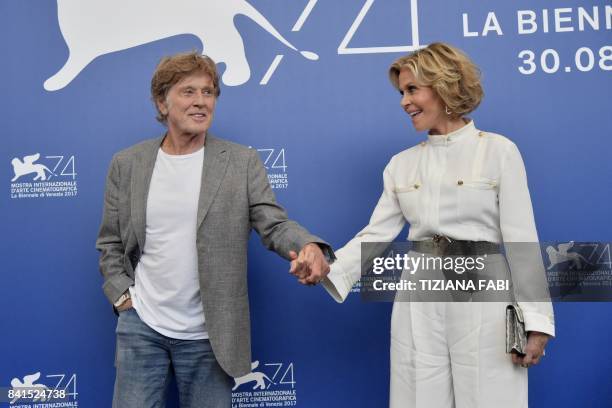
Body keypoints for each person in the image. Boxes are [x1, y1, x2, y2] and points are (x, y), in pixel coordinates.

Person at [299, 43, 555, 407]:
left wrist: (537, 322)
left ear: (445, 86)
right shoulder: (401, 165)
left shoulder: (499, 151)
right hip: (419, 298)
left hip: (485, 295)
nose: (404, 101)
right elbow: (375, 234)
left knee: (490, 397)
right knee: (418, 397)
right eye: (402, 92)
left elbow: (521, 240)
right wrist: (328, 268)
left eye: (412, 90)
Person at [96, 51, 332, 408]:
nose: (201, 102)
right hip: (142, 324)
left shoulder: (240, 161)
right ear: (162, 102)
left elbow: (274, 223)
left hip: (211, 334)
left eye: (208, 92)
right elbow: (110, 241)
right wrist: (123, 298)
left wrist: (309, 245)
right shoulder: (128, 164)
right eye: (188, 92)